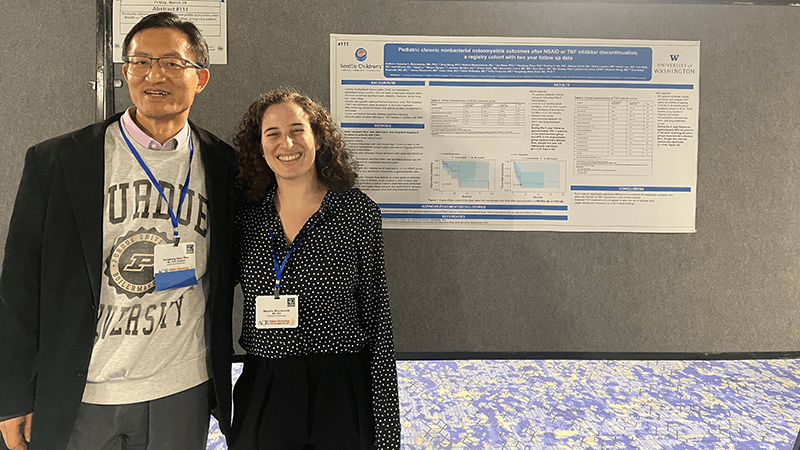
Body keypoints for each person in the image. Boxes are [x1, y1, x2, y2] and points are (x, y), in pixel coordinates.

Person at [0, 12, 237, 450]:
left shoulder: (225, 166)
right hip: (82, 390)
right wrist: (12, 395)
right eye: (139, 62)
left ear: (200, 77)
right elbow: (18, 287)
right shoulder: (58, 162)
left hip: (180, 389)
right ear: (125, 72)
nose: (154, 75)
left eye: (171, 62)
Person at [230, 87, 401, 450]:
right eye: (272, 133)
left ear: (318, 138)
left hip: (340, 388)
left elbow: (377, 317)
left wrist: (387, 427)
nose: (286, 143)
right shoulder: (246, 216)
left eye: (297, 130)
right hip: (266, 383)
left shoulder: (357, 213)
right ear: (259, 146)